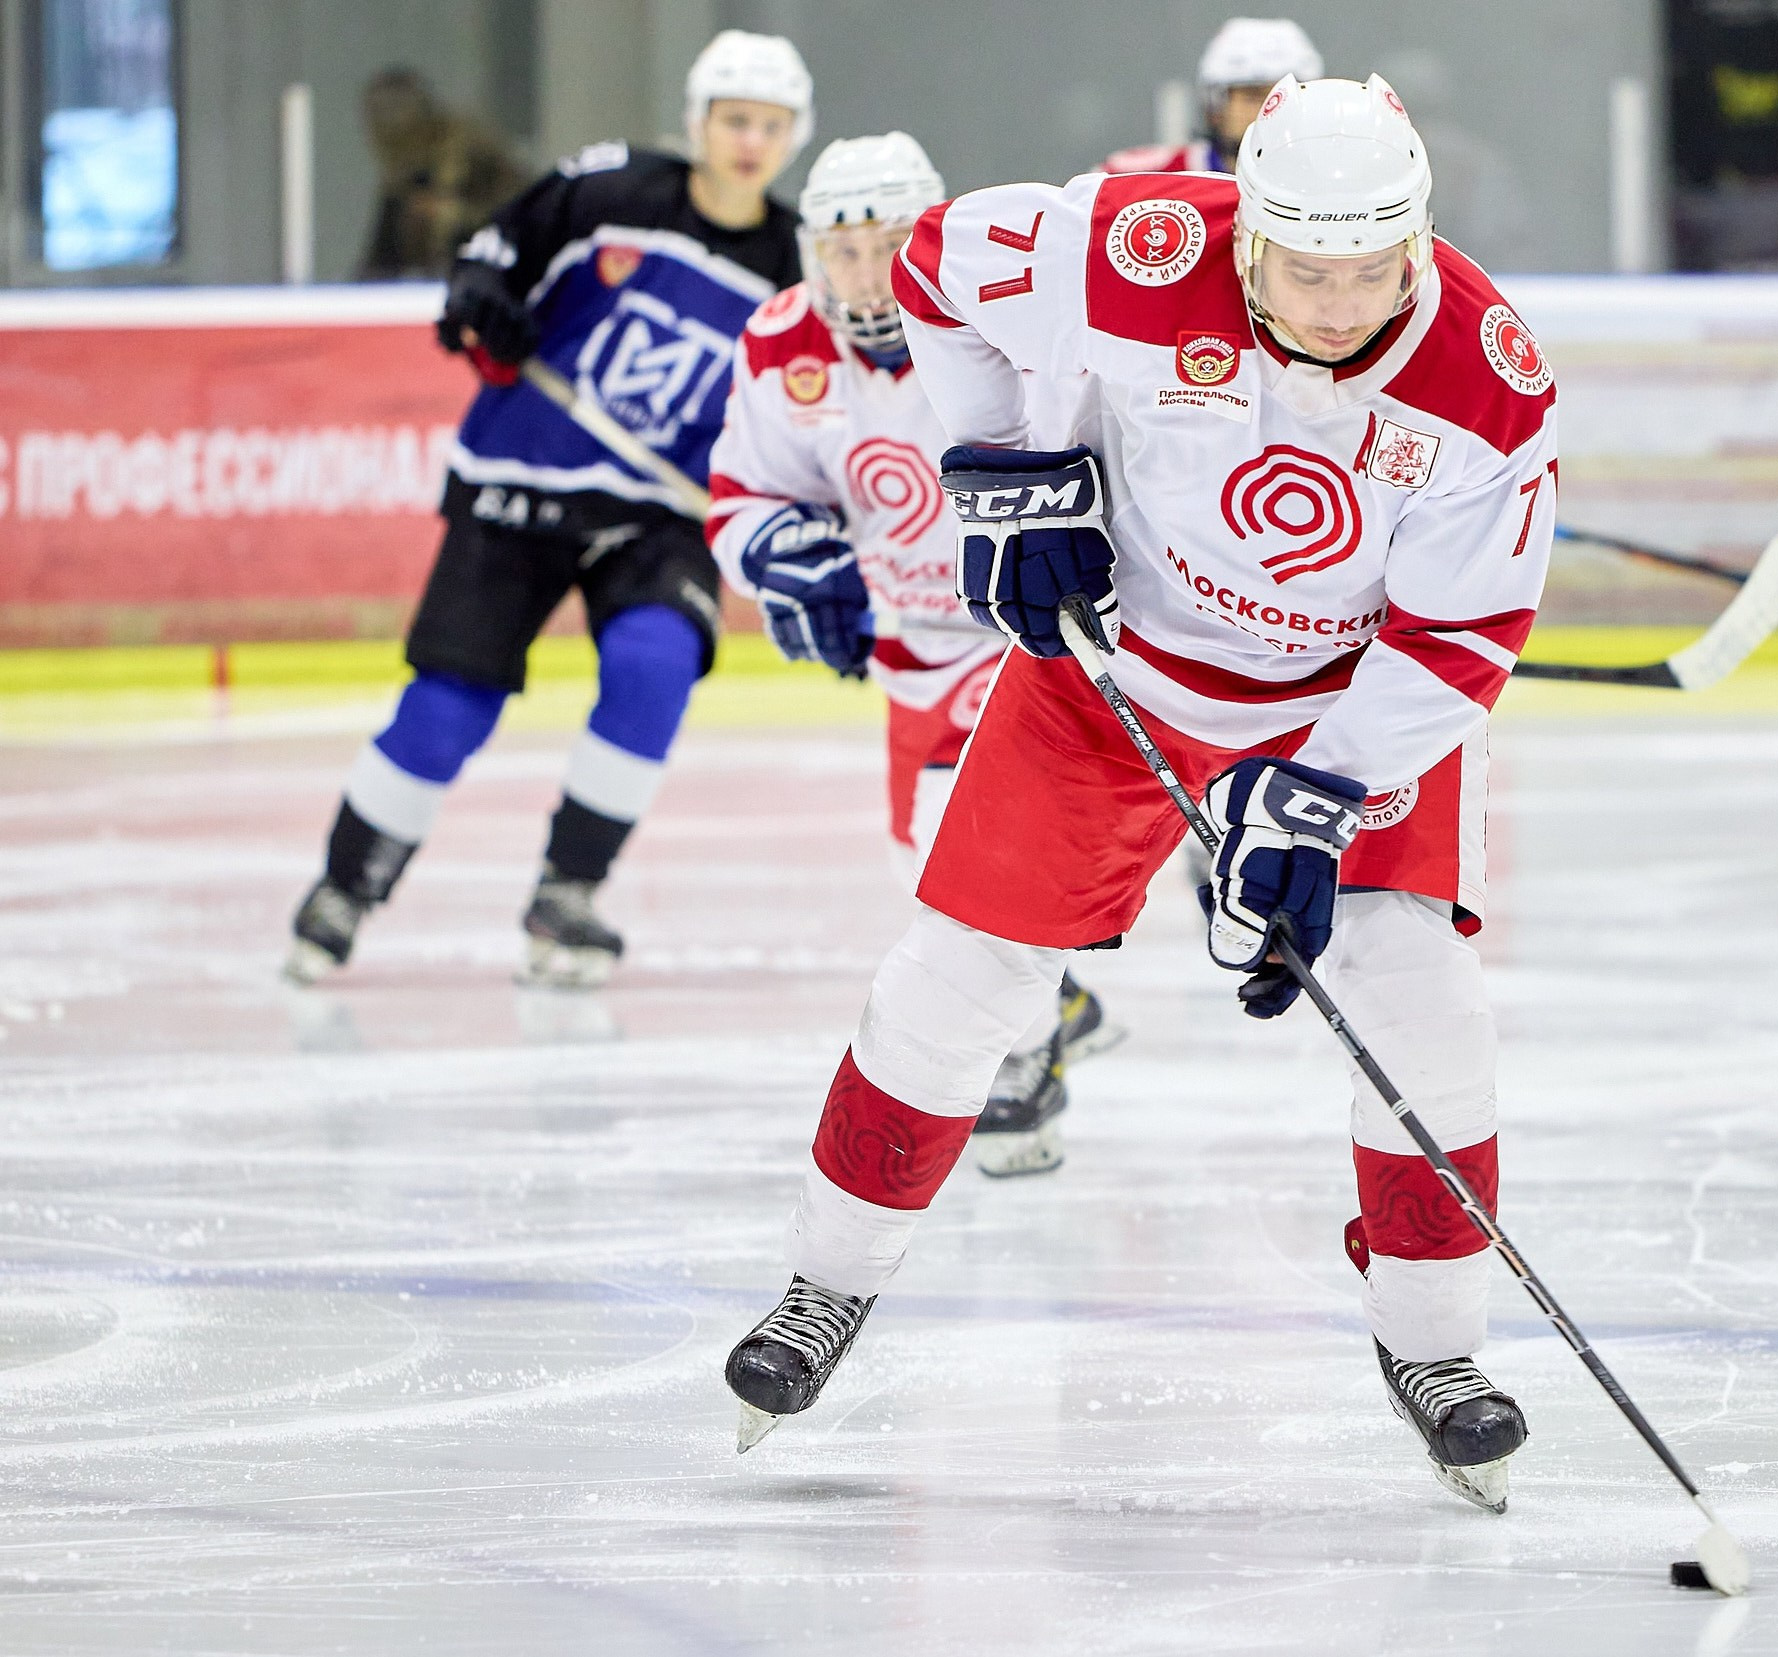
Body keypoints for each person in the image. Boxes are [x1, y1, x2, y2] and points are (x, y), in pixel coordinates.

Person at [726, 75, 1560, 1514]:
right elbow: (932, 269)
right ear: (1248, 239)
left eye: (1377, 266)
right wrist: (1014, 464)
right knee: (957, 984)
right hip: (1112, 681)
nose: (1347, 298)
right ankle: (826, 1282)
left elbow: (1463, 638)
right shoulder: (1134, 245)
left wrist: (1323, 793)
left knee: (1420, 1001)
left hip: (1342, 709)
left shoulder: (1490, 377)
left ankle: (1437, 1350)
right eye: (1310, 267)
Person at [283, 31, 811, 990]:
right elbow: (494, 254)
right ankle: (345, 886)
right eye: (735, 119)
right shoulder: (611, 190)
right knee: (448, 708)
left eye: (771, 126)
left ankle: (569, 890)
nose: (750, 142)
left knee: (655, 666)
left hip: (659, 511)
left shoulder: (793, 266)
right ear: (698, 123)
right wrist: (482, 298)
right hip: (523, 475)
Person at [703, 132, 1119, 1177]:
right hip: (910, 650)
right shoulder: (780, 346)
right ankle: (1048, 988)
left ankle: (1023, 1061)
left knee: (957, 843)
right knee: (917, 862)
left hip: (1023, 635)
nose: (866, 274)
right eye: (841, 250)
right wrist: (787, 558)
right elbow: (747, 490)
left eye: (888, 244)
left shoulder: (1002, 319)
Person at [355, 67, 528, 280]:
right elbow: (379, 265)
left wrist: (450, 215)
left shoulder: (468, 151)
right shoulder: (406, 180)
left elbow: (521, 212)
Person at [1101, 16, 1322, 175]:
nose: (1271, 111)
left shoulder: (1340, 181)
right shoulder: (1141, 177)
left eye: (1287, 99)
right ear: (1214, 105)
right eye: (1254, 96)